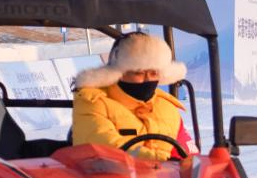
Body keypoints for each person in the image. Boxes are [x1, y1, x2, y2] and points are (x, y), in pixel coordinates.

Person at [72, 32, 197, 161]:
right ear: (119, 73)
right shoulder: (92, 102)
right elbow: (105, 146)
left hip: (164, 173)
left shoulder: (167, 107)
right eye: (139, 73)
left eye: (154, 73)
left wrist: (188, 164)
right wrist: (159, 161)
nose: (148, 79)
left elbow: (186, 152)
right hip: (108, 172)